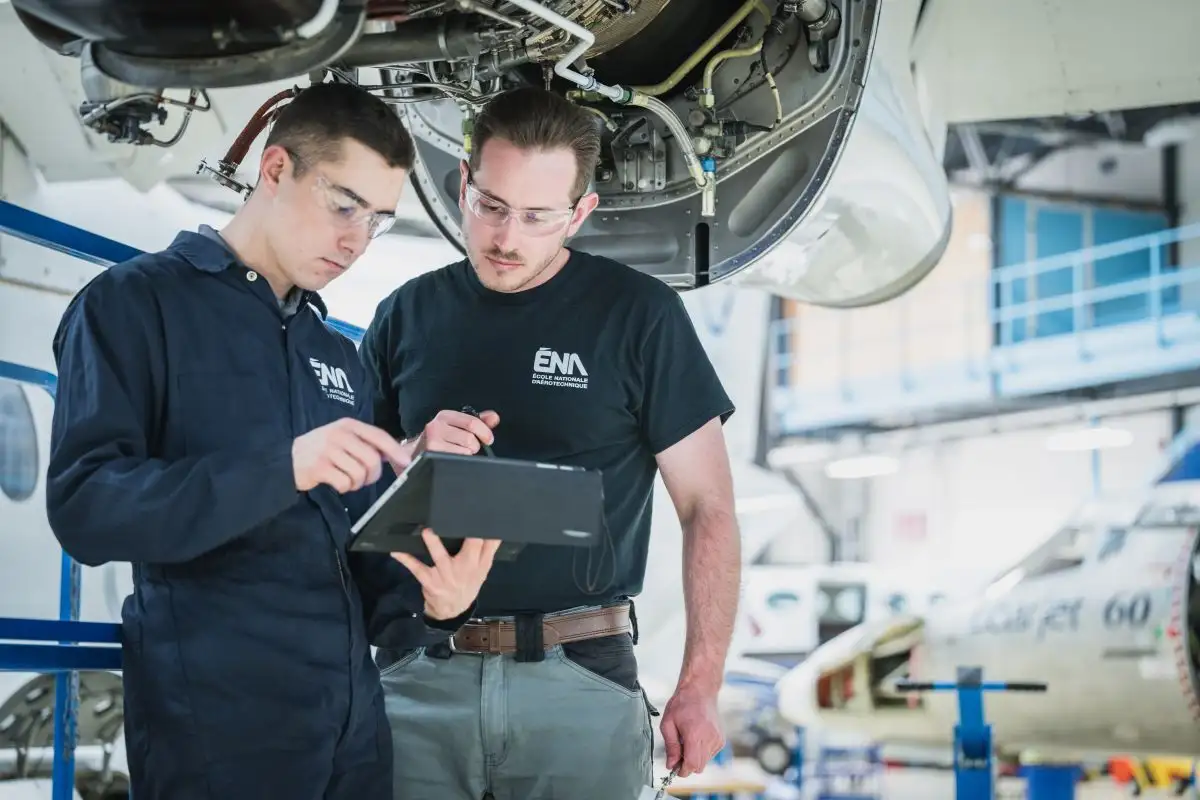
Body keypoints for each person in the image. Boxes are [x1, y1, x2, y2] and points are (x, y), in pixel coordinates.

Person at [44, 80, 500, 800]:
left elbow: (365, 564)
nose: (356, 239)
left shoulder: (338, 354)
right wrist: (283, 468)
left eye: (378, 220)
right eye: (343, 205)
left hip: (352, 736)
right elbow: (85, 508)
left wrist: (438, 597)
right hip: (221, 737)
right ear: (276, 169)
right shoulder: (135, 303)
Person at [358, 85, 742, 799]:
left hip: (578, 681)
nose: (507, 238)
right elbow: (343, 497)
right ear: (463, 184)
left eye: (538, 217)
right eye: (491, 206)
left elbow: (708, 508)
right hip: (415, 678)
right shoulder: (405, 315)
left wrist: (700, 684)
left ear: (581, 213)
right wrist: (408, 453)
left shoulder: (640, 317)